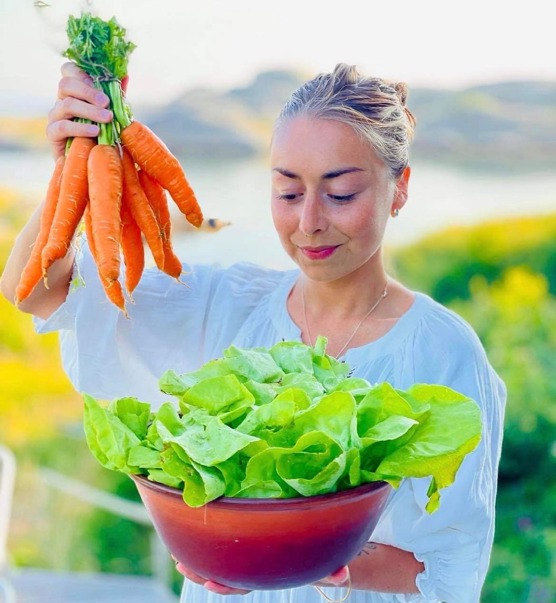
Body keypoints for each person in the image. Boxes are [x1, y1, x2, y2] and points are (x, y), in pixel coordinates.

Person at [0, 62, 506, 603]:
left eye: (341, 193)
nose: (309, 221)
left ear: (398, 188)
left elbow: (454, 562)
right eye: (288, 193)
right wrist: (73, 164)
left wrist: (319, 559)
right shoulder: (227, 304)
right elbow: (36, 291)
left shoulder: (443, 350)